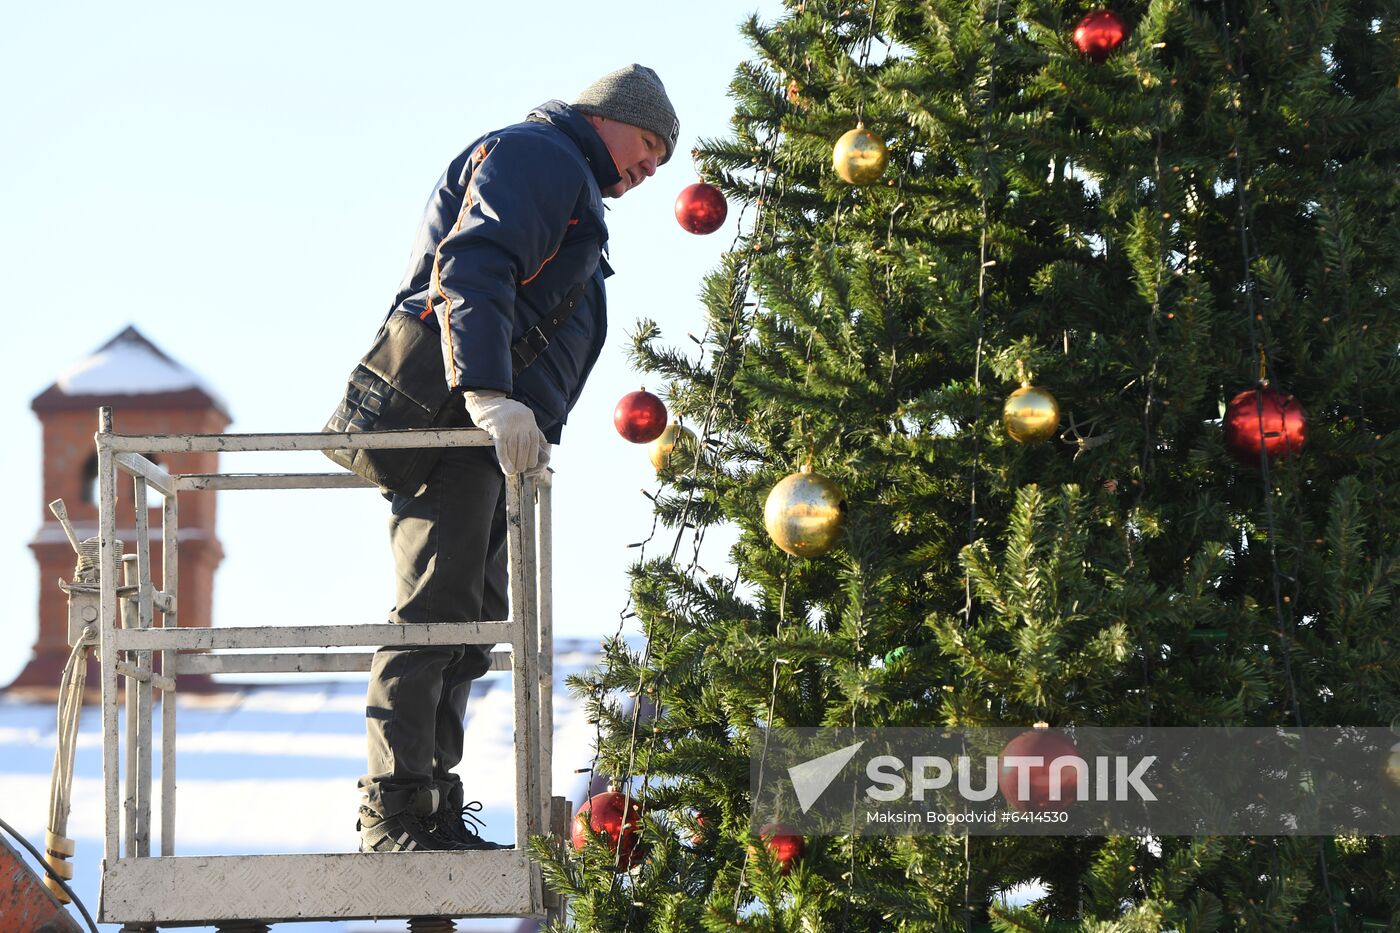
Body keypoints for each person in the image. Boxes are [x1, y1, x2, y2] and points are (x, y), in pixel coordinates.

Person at [355, 65, 678, 853]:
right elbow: (474, 263)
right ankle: (393, 812)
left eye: (662, 161)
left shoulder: (566, 173)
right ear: (608, 117)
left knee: (465, 622)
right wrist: (489, 394)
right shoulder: (544, 157)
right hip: (456, 423)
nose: (648, 168)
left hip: (488, 442)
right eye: (648, 145)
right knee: (435, 612)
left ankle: (430, 806)